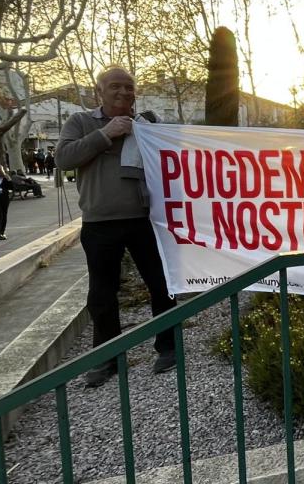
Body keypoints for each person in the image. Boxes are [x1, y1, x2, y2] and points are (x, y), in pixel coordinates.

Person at [56, 66, 177, 388]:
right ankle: (107, 358)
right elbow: (64, 159)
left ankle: (168, 347)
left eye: (129, 87)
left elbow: (173, 158)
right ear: (99, 92)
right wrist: (106, 133)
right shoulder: (80, 122)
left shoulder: (147, 126)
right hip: (99, 224)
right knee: (102, 295)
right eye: (115, 87)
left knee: (162, 286)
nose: (124, 93)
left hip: (144, 220)